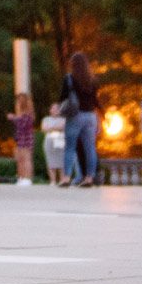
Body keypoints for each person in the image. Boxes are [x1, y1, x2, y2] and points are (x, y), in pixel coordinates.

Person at [59, 52, 100, 187]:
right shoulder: (92, 79)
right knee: (90, 148)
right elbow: (95, 100)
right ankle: (89, 177)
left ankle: (66, 177)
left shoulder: (69, 79)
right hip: (90, 116)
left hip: (76, 115)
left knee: (70, 147)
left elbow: (63, 97)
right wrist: (101, 116)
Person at [9, 91, 36, 185]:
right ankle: (21, 177)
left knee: (26, 158)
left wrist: (14, 118)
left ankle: (28, 178)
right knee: (19, 159)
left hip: (26, 138)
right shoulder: (20, 113)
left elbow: (23, 125)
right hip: (20, 138)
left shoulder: (28, 113)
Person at [42, 104, 67, 186]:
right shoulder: (46, 119)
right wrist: (55, 128)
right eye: (53, 108)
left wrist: (51, 128)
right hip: (49, 140)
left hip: (59, 139)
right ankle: (52, 181)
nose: (55, 110)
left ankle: (62, 179)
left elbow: (62, 127)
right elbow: (44, 129)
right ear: (50, 110)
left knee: (60, 160)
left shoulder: (63, 119)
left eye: (57, 109)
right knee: (50, 160)